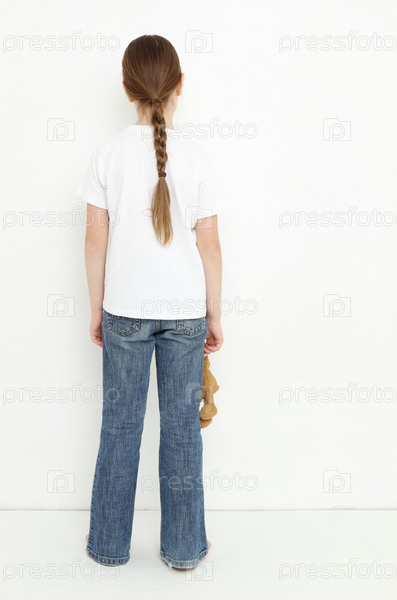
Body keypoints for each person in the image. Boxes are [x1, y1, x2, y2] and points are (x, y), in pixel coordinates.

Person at [76, 34, 231, 570]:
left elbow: (95, 239)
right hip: (186, 316)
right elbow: (210, 246)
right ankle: (184, 549)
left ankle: (108, 546)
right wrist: (214, 314)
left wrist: (96, 308)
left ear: (126, 89)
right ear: (180, 85)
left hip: (123, 311)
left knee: (119, 427)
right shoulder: (199, 159)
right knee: (182, 430)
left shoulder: (107, 154)